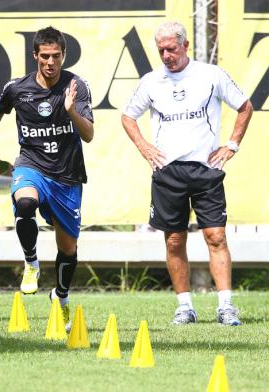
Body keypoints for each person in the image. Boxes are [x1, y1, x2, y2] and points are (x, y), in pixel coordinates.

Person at [121, 21, 253, 326]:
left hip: (206, 170)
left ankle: (226, 306)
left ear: (185, 46)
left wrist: (231, 145)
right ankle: (184, 306)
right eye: (161, 50)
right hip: (168, 173)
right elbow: (128, 116)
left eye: (171, 48)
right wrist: (145, 147)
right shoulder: (151, 81)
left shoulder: (211, 75)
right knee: (173, 241)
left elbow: (245, 106)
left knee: (215, 236)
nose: (166, 55)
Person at [0, 26, 94, 331]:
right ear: (35, 55)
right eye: (45, 56)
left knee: (69, 248)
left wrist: (71, 111)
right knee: (24, 203)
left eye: (56, 56)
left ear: (64, 55)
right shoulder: (17, 88)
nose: (50, 62)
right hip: (31, 165)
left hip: (67, 175)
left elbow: (88, 135)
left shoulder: (77, 86)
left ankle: (60, 297)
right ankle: (31, 263)